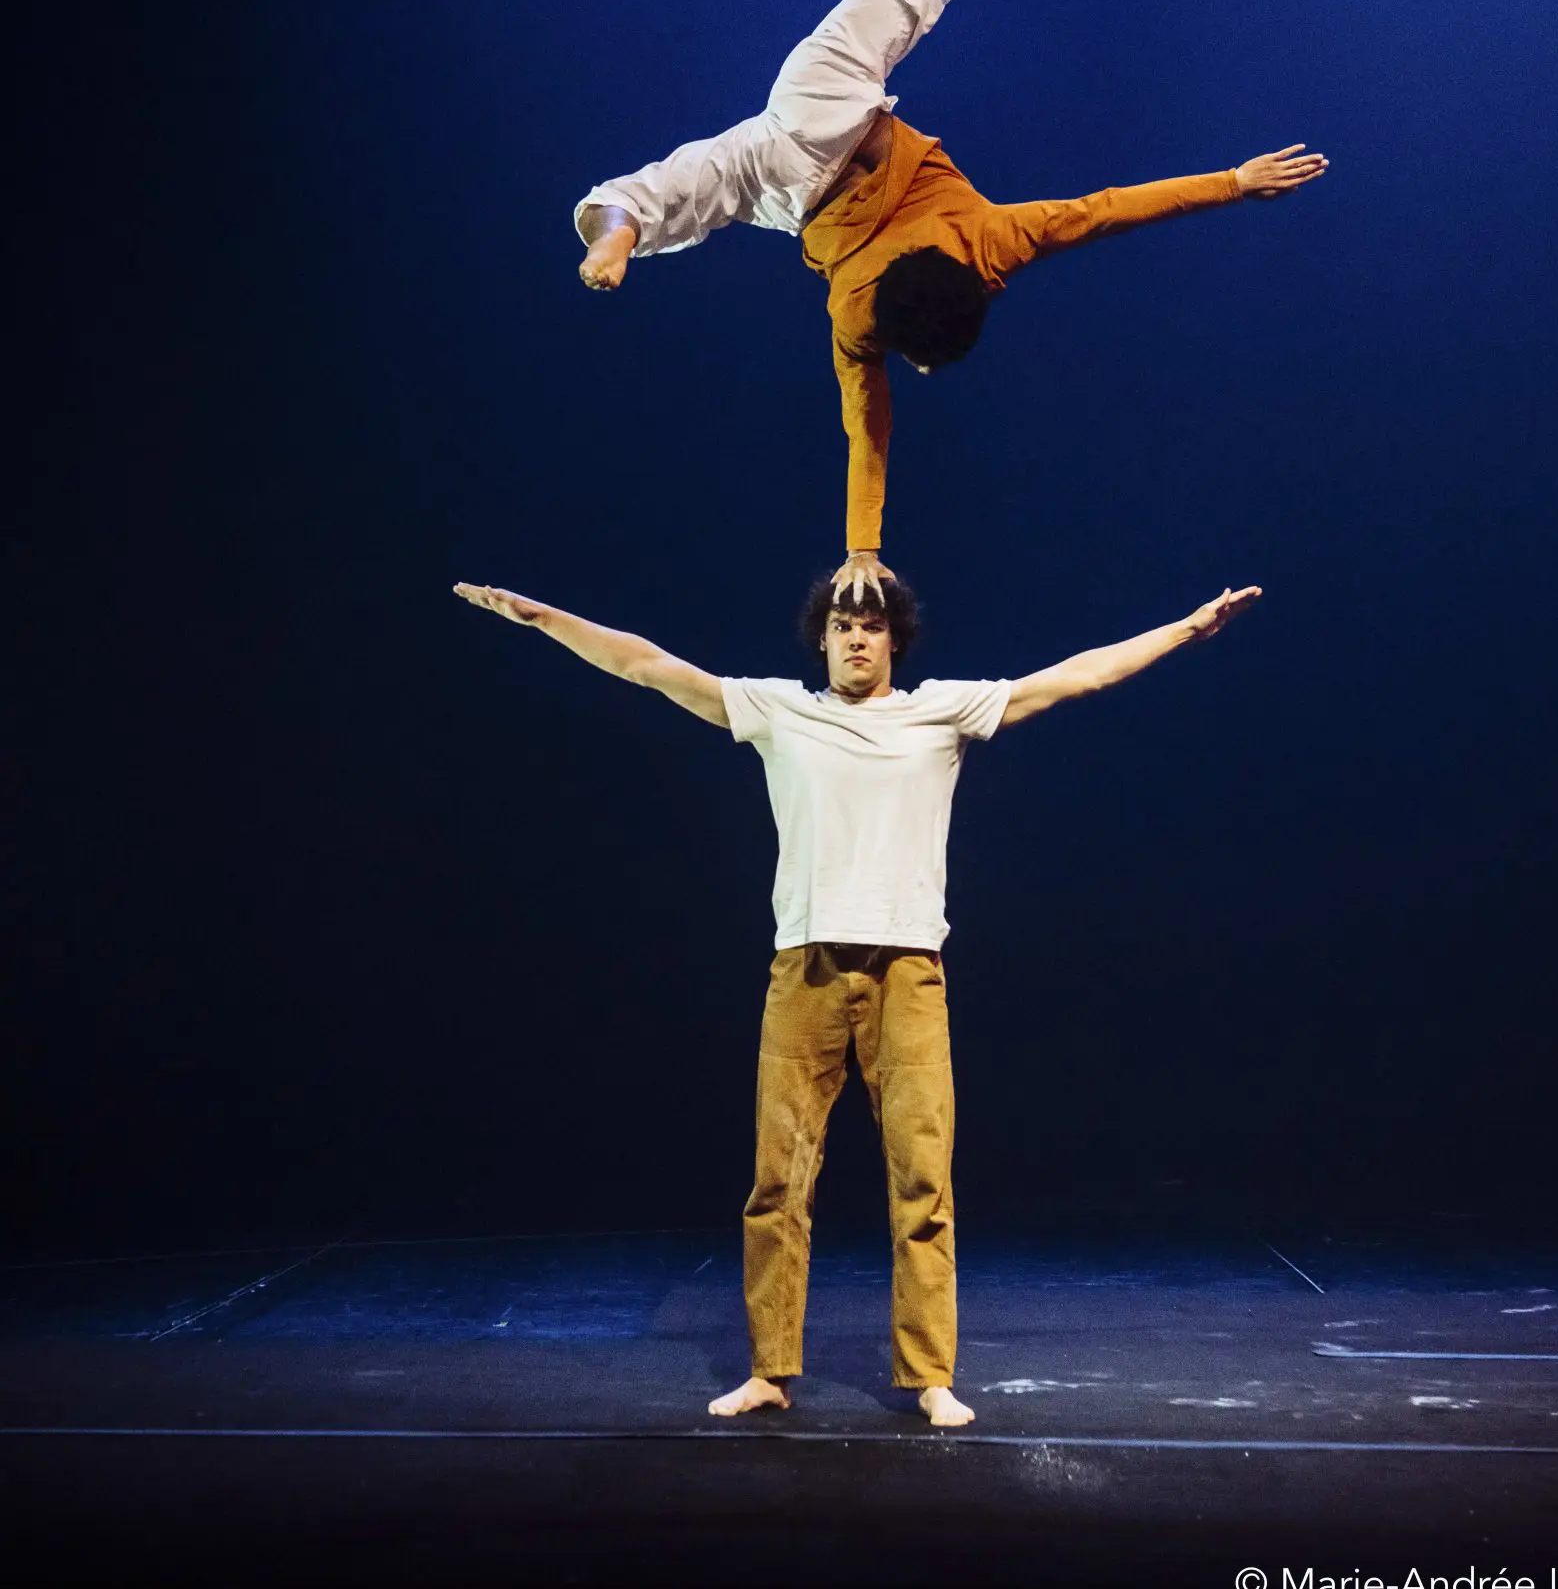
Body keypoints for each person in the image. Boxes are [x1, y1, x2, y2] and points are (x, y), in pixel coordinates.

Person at [453, 565, 1260, 1427]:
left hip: (908, 973)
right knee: (777, 1182)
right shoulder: (778, 710)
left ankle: (929, 1375)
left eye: (869, 625)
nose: (854, 636)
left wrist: (1185, 629)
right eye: (841, 623)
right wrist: (545, 619)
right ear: (822, 636)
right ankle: (770, 1369)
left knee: (922, 1179)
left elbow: (1075, 674)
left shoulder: (940, 711)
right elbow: (649, 666)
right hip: (802, 970)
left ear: (893, 639)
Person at [574, 0, 1326, 589]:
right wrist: (861, 547)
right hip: (799, 148)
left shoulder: (990, 246)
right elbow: (869, 425)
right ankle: (614, 235)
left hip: (813, 133)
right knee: (648, 193)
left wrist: (1233, 183)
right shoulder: (873, 312)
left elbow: (1112, 206)